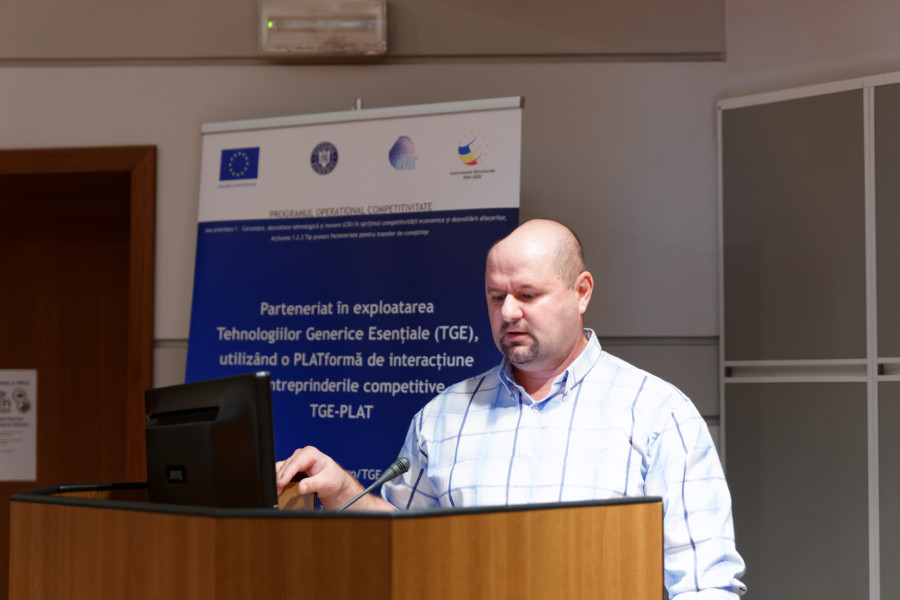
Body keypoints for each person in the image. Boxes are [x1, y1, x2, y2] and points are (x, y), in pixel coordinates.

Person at [276, 218, 746, 599]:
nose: (508, 313)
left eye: (527, 295)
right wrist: (343, 491)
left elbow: (706, 586)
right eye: (496, 296)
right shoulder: (442, 417)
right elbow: (401, 543)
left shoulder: (659, 414)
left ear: (581, 291)